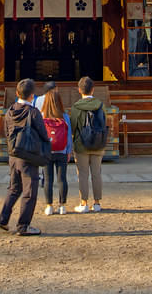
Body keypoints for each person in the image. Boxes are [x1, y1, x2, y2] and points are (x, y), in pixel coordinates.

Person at [0, 78, 47, 236]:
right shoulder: (33, 112)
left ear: (17, 93)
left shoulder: (10, 111)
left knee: (14, 188)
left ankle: (3, 219)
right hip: (28, 156)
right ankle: (23, 225)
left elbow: (6, 131)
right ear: (32, 95)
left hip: (13, 155)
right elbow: (43, 134)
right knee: (29, 191)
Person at [69, 76, 105, 213]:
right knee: (97, 173)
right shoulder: (100, 105)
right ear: (93, 89)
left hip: (81, 144)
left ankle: (83, 202)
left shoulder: (76, 107)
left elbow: (73, 127)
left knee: (83, 174)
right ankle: (97, 203)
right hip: (98, 143)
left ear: (79, 90)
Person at [40, 88, 72, 216]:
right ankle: (62, 206)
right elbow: (69, 135)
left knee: (48, 179)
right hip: (62, 150)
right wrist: (69, 150)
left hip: (47, 151)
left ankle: (49, 206)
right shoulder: (65, 117)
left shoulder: (42, 116)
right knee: (62, 179)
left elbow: (40, 135)